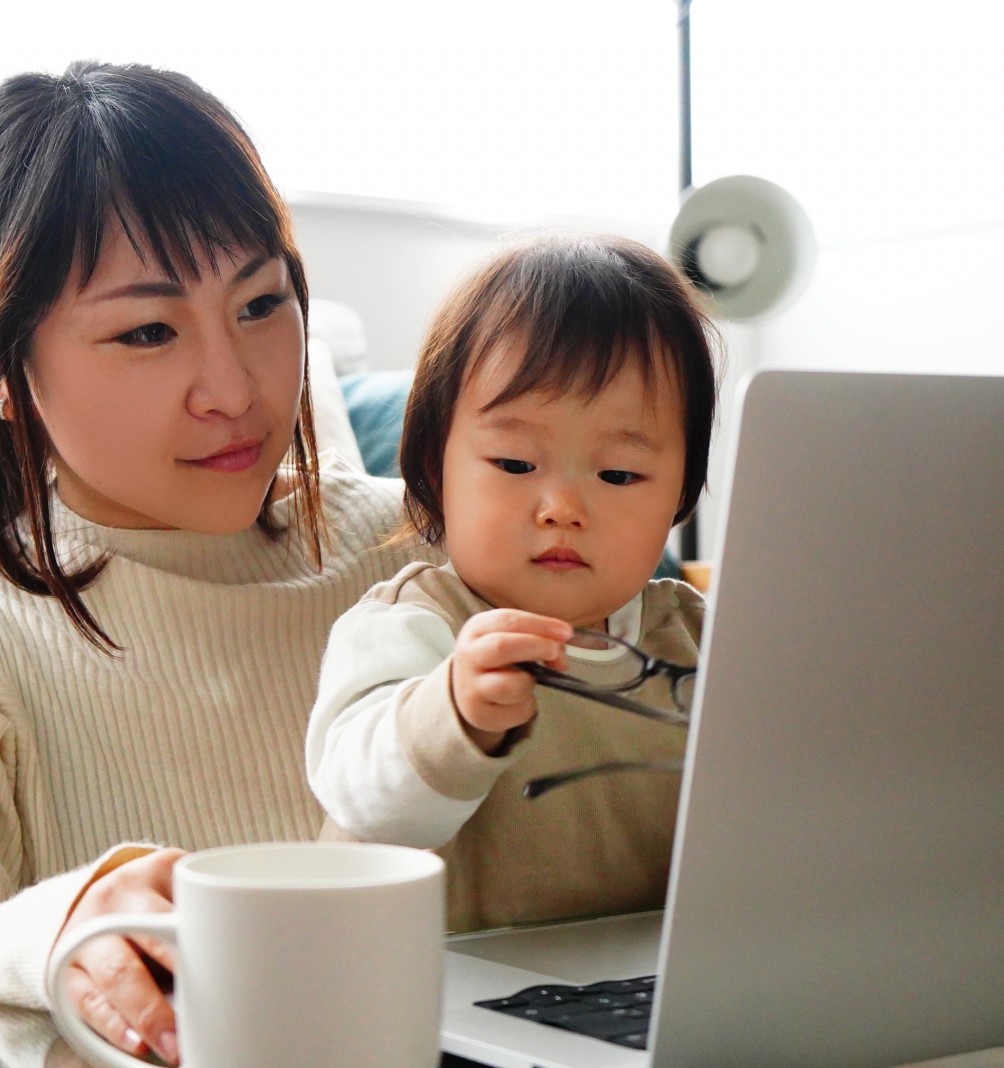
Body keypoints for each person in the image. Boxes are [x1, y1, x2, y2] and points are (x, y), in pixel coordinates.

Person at [0, 62, 427, 1066]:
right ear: (2, 371)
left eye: (260, 303)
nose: (233, 387)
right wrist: (53, 930)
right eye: (147, 330)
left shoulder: (427, 555)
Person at [305, 234, 718, 934]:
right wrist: (453, 714)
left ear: (680, 493)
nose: (562, 507)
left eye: (618, 475)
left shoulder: (698, 635)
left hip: (642, 995)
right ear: (434, 468)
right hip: (450, 999)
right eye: (514, 462)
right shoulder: (411, 626)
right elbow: (365, 803)